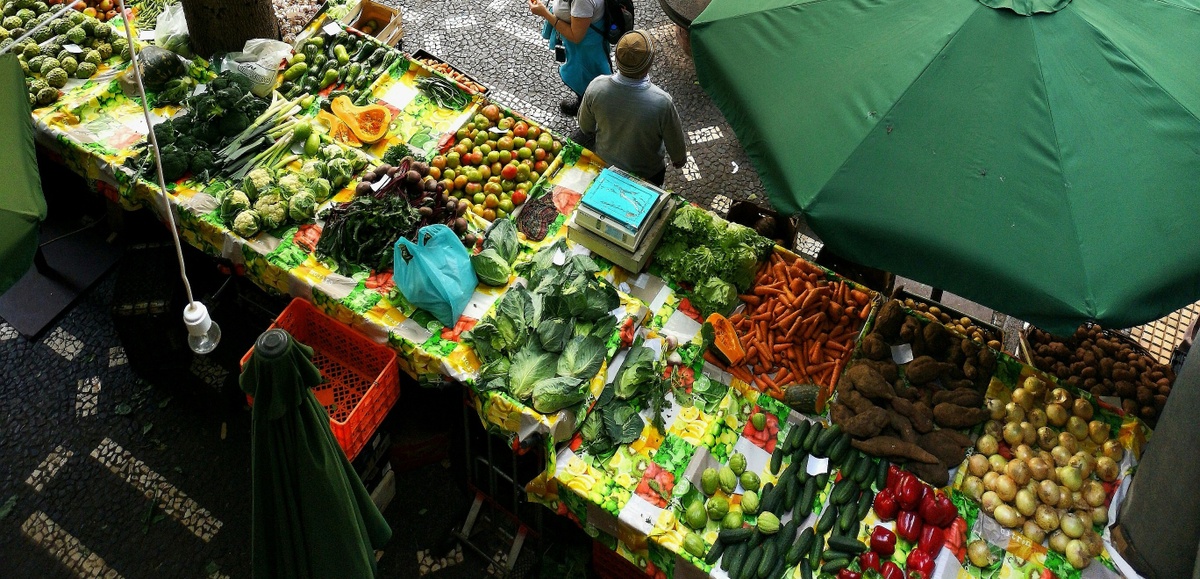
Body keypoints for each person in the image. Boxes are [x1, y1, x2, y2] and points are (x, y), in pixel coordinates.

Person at [577, 30, 687, 187]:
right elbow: (677, 149)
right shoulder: (662, 102)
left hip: (605, 165)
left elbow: (585, 126)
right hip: (648, 176)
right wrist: (679, 159)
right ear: (649, 64)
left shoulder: (596, 87)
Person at [529, 0, 612, 116]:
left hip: (586, 49)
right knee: (583, 78)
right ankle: (583, 105)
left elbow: (575, 35)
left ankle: (590, 118)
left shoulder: (582, 2)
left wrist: (545, 13)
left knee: (588, 81)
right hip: (582, 47)